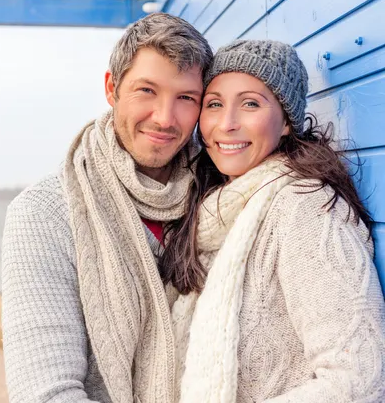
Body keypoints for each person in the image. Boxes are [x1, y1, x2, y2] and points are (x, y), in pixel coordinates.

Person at [1, 13, 213, 403]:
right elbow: (47, 394)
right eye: (146, 91)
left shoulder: (219, 197)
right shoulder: (45, 214)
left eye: (185, 98)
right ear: (111, 88)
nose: (165, 118)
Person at [161, 39, 385, 403]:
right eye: (214, 104)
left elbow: (359, 381)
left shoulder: (306, 208)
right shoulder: (215, 210)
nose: (227, 124)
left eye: (250, 103)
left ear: (285, 122)